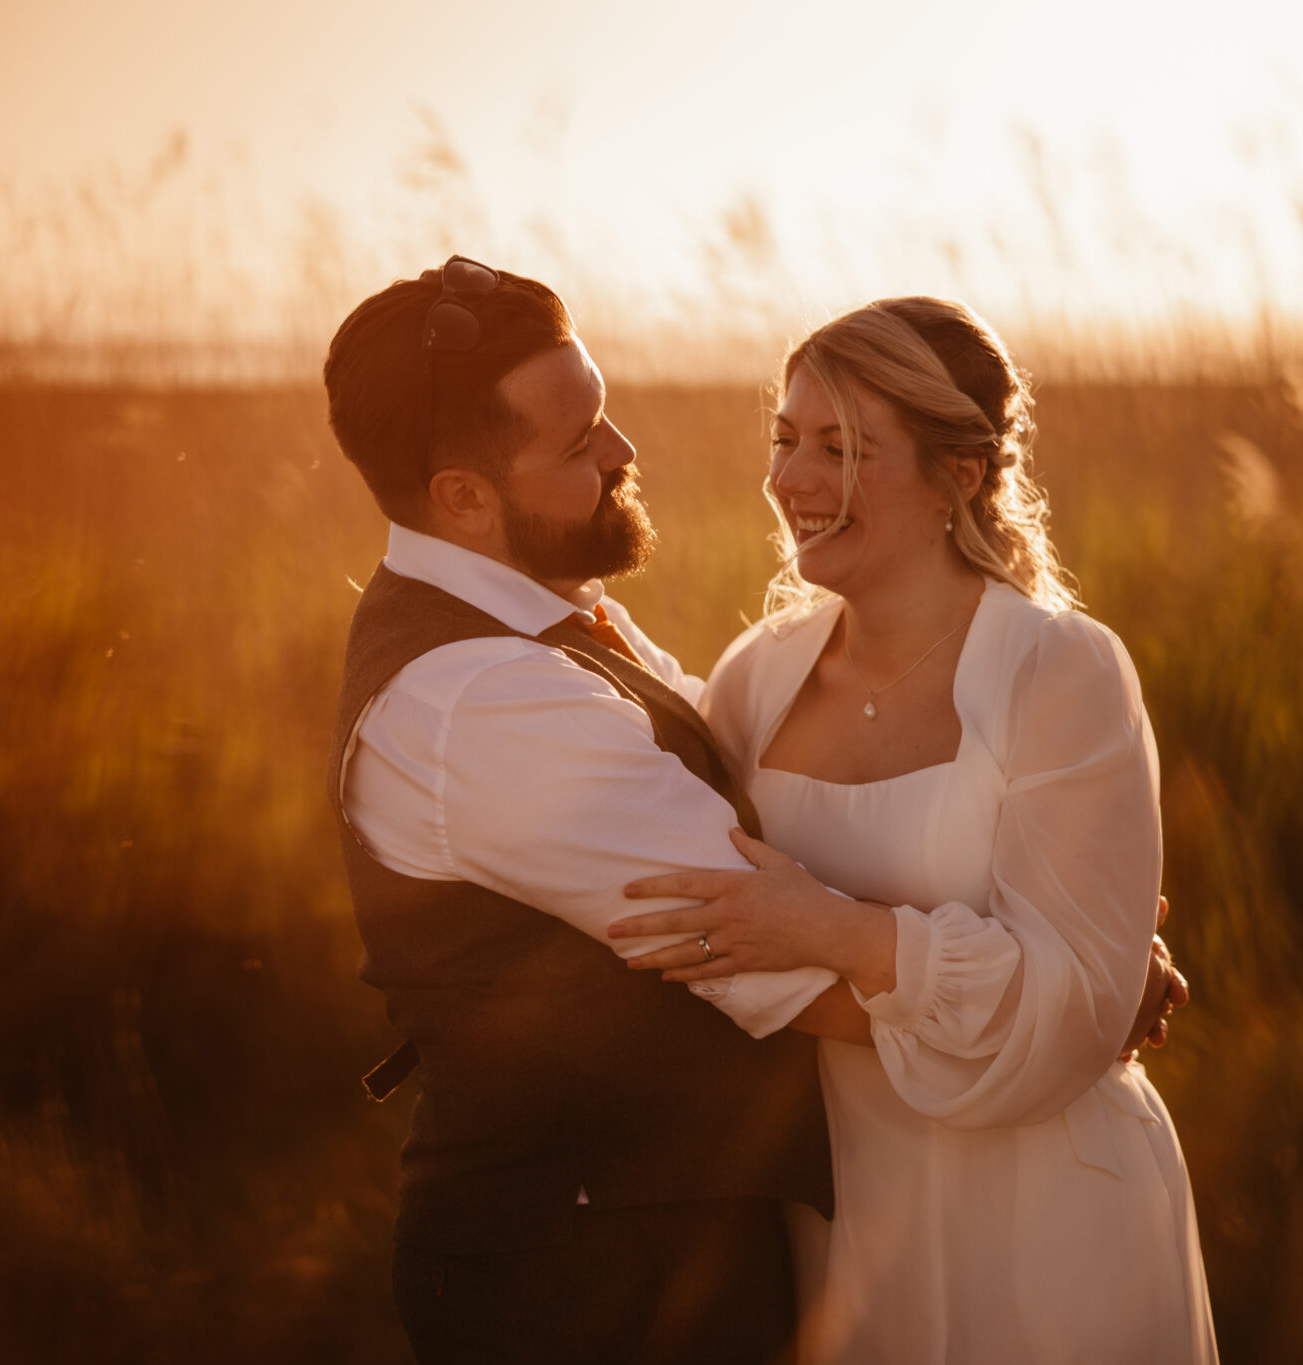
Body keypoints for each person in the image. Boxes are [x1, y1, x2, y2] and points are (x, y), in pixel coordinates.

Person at [320, 259, 1183, 1364]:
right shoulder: (482, 700)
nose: (622, 451)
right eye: (577, 443)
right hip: (588, 1289)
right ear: (463, 498)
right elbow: (774, 954)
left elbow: (747, 786)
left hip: (839, 1233)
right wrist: (1074, 1002)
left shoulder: (572, 638)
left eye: (602, 413)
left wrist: (1086, 952)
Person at [607, 297, 1217, 1362]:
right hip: (840, 1207)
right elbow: (696, 930)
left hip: (1044, 1205)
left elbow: (1069, 1002)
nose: (792, 480)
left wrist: (832, 929)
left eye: (842, 449)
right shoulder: (755, 681)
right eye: (785, 439)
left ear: (960, 474)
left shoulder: (1055, 672)